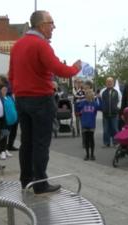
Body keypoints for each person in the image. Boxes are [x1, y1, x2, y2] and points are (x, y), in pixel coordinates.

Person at [8, 10, 81, 194]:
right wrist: (75, 68)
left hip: (22, 100)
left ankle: (26, 180)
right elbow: (59, 68)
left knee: (27, 142)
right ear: (41, 25)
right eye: (51, 23)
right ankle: (40, 183)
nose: (53, 27)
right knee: (41, 142)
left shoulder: (17, 45)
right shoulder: (41, 44)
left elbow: (11, 75)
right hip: (40, 100)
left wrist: (19, 92)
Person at [76, 90, 101, 161]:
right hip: (84, 123)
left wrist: (100, 98)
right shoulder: (83, 103)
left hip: (91, 123)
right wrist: (77, 102)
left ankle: (92, 154)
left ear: (92, 96)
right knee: (86, 140)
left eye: (90, 95)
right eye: (87, 95)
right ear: (86, 96)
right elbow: (77, 108)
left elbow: (101, 107)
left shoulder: (94, 103)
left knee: (91, 139)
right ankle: (87, 154)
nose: (89, 96)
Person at [0, 84, 16, 160]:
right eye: (3, 90)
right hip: (3, 121)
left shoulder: (8, 97)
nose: (5, 91)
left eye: (6, 90)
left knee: (6, 135)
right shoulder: (0, 98)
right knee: (3, 136)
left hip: (9, 121)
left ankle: (5, 149)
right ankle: (1, 151)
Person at [101, 77, 121, 147]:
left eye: (111, 82)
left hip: (114, 114)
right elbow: (101, 102)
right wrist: (103, 109)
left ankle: (116, 142)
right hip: (105, 114)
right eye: (108, 82)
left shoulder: (117, 92)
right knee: (106, 130)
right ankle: (106, 143)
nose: (109, 83)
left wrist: (117, 108)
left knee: (115, 129)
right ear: (106, 83)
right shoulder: (103, 92)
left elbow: (120, 101)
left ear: (113, 83)